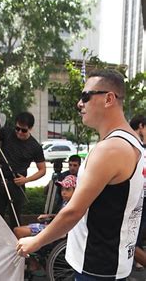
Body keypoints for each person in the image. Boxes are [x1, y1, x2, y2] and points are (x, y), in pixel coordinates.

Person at [16, 69, 144, 280]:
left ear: (109, 98)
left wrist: (35, 242)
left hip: (97, 265)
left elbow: (74, 210)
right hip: (110, 261)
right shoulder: (131, 142)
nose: (79, 103)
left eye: (86, 96)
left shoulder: (111, 149)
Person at [0, 111, 46, 229]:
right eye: (17, 128)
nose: (19, 132)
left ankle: (16, 243)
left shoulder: (35, 146)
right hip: (0, 181)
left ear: (30, 129)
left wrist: (26, 180)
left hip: (17, 185)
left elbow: (42, 170)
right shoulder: (7, 132)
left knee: (15, 218)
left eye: (24, 130)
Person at [14, 175, 76, 239]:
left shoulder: (74, 205)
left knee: (18, 231)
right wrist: (49, 216)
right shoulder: (66, 202)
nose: (63, 192)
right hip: (53, 227)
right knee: (17, 229)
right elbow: (62, 216)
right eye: (62, 189)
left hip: (57, 230)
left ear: (75, 190)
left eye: (67, 189)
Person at [130, 114, 146, 268]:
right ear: (141, 126)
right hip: (138, 196)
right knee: (133, 238)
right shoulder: (135, 144)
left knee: (134, 237)